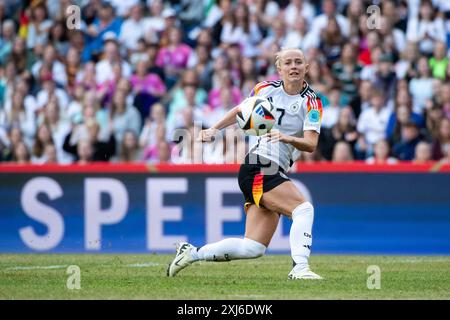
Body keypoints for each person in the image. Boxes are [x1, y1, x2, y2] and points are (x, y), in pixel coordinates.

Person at [167, 48, 323, 280]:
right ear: (279, 69)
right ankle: (300, 269)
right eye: (288, 62)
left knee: (253, 247)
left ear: (306, 68)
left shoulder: (312, 102)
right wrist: (213, 129)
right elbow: (241, 110)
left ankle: (191, 253)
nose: (293, 66)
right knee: (303, 209)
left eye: (298, 62)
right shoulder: (265, 89)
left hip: (273, 168)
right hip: (259, 164)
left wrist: (286, 138)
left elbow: (310, 144)